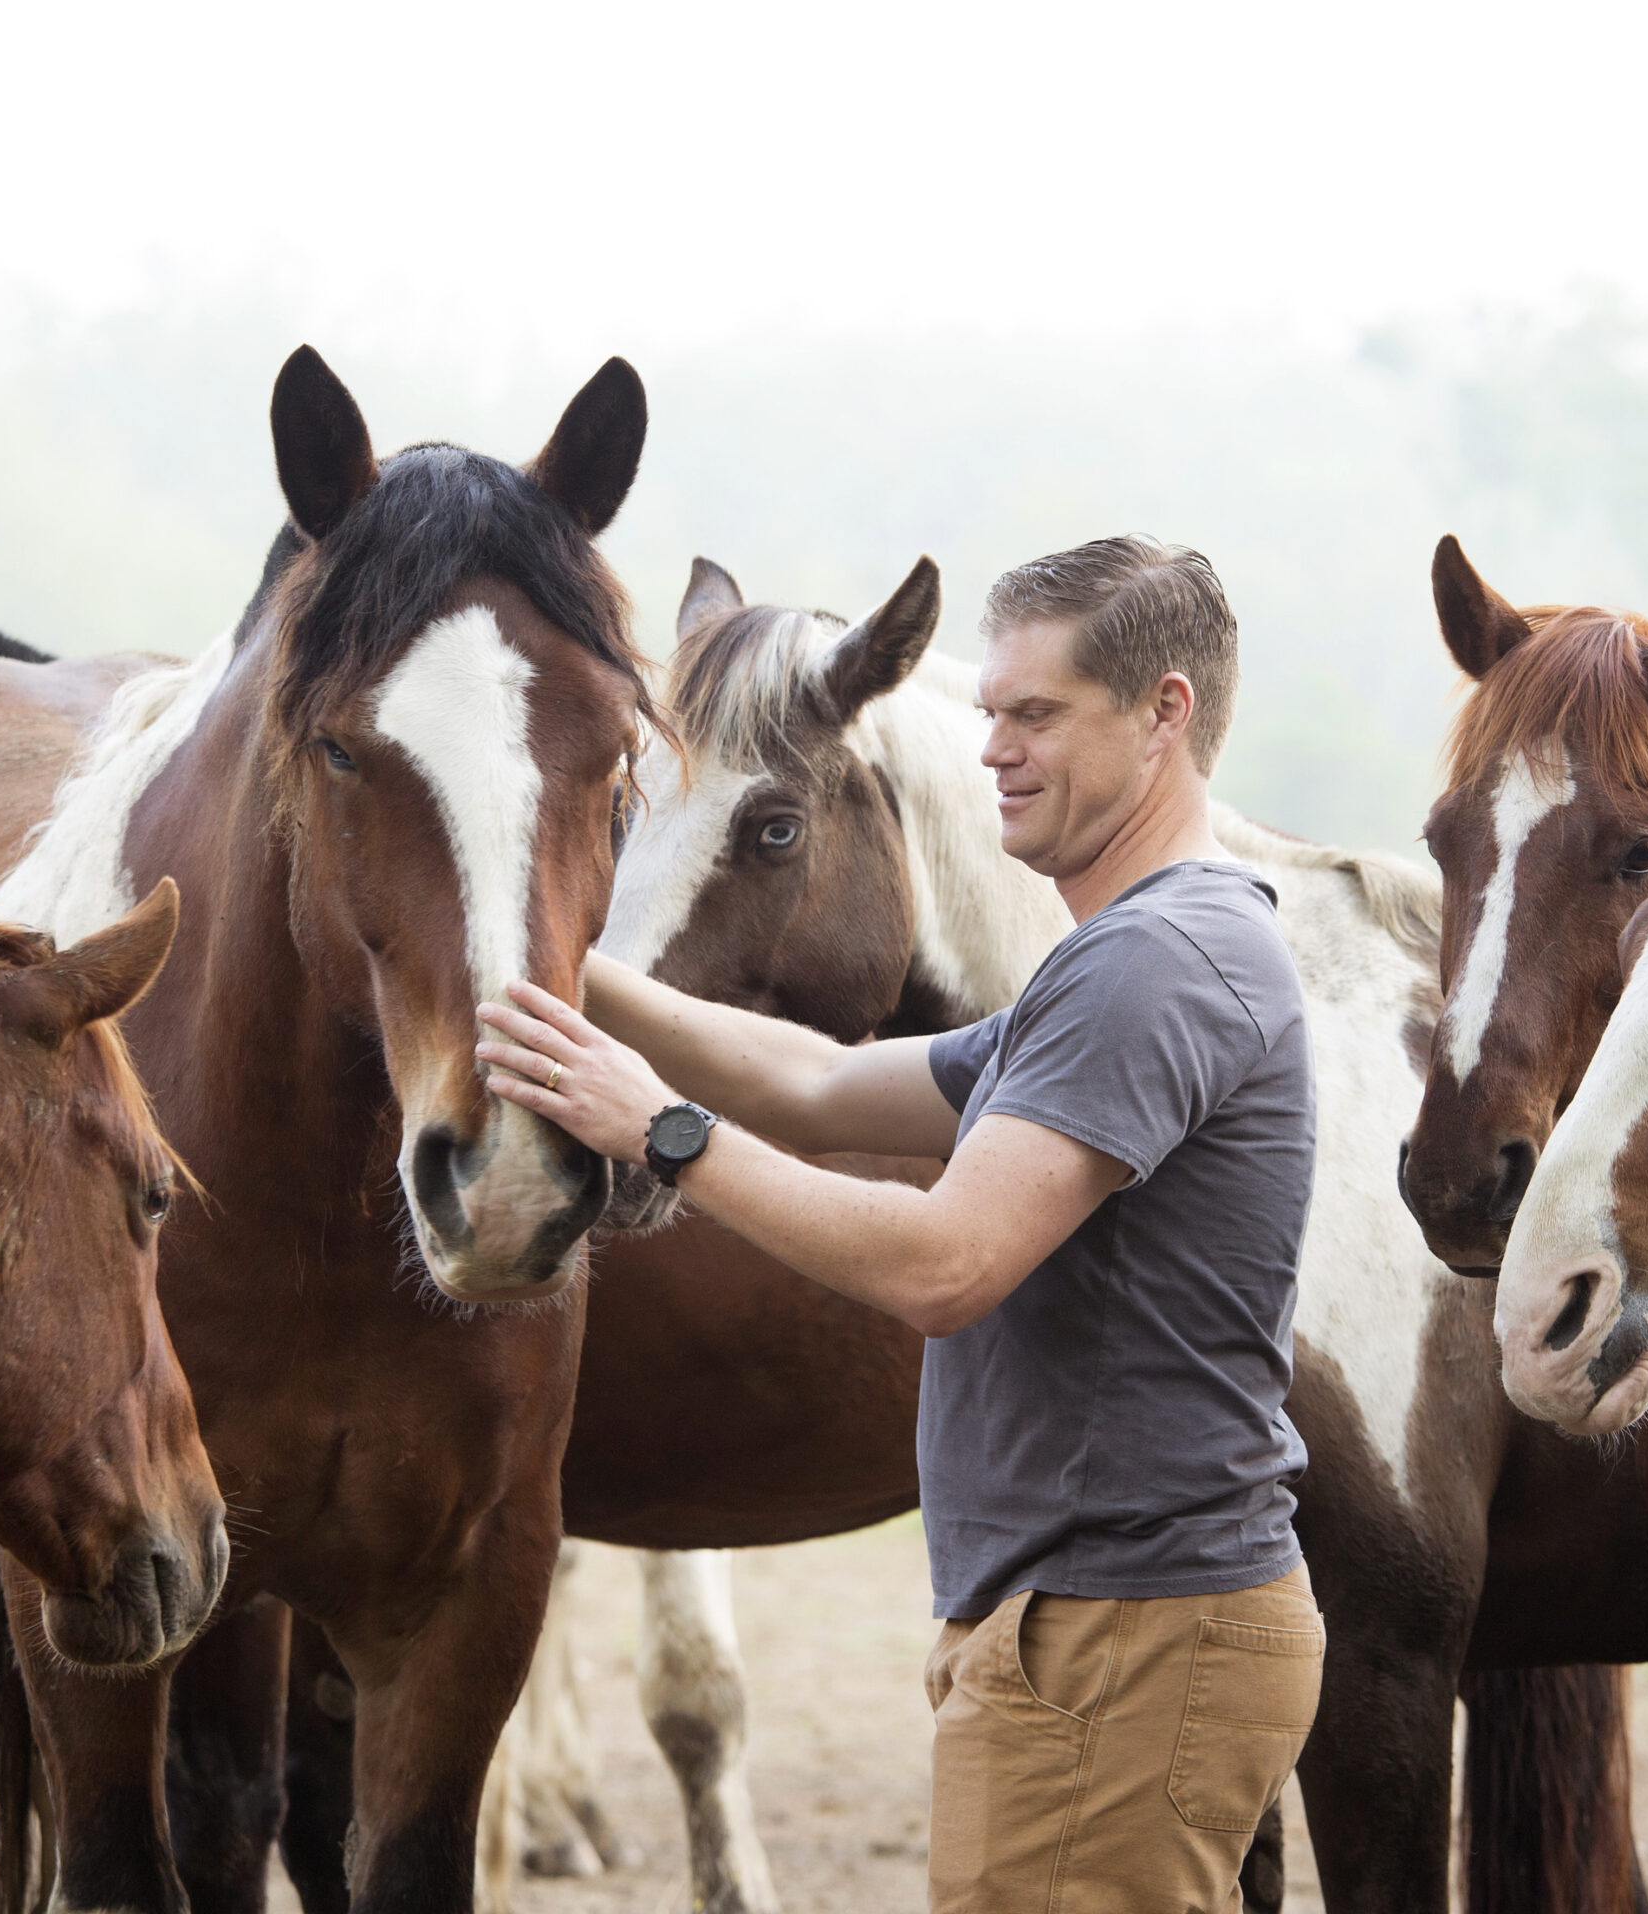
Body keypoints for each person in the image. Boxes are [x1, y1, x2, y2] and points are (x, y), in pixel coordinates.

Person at [479, 535, 1322, 1912]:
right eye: (990, 710)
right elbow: (813, 1084)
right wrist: (573, 968)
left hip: (1120, 1637)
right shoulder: (1118, 965)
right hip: (1093, 1630)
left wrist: (658, 1131)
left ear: (1166, 715)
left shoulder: (1153, 971)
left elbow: (944, 1264)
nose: (991, 748)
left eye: (1036, 714)